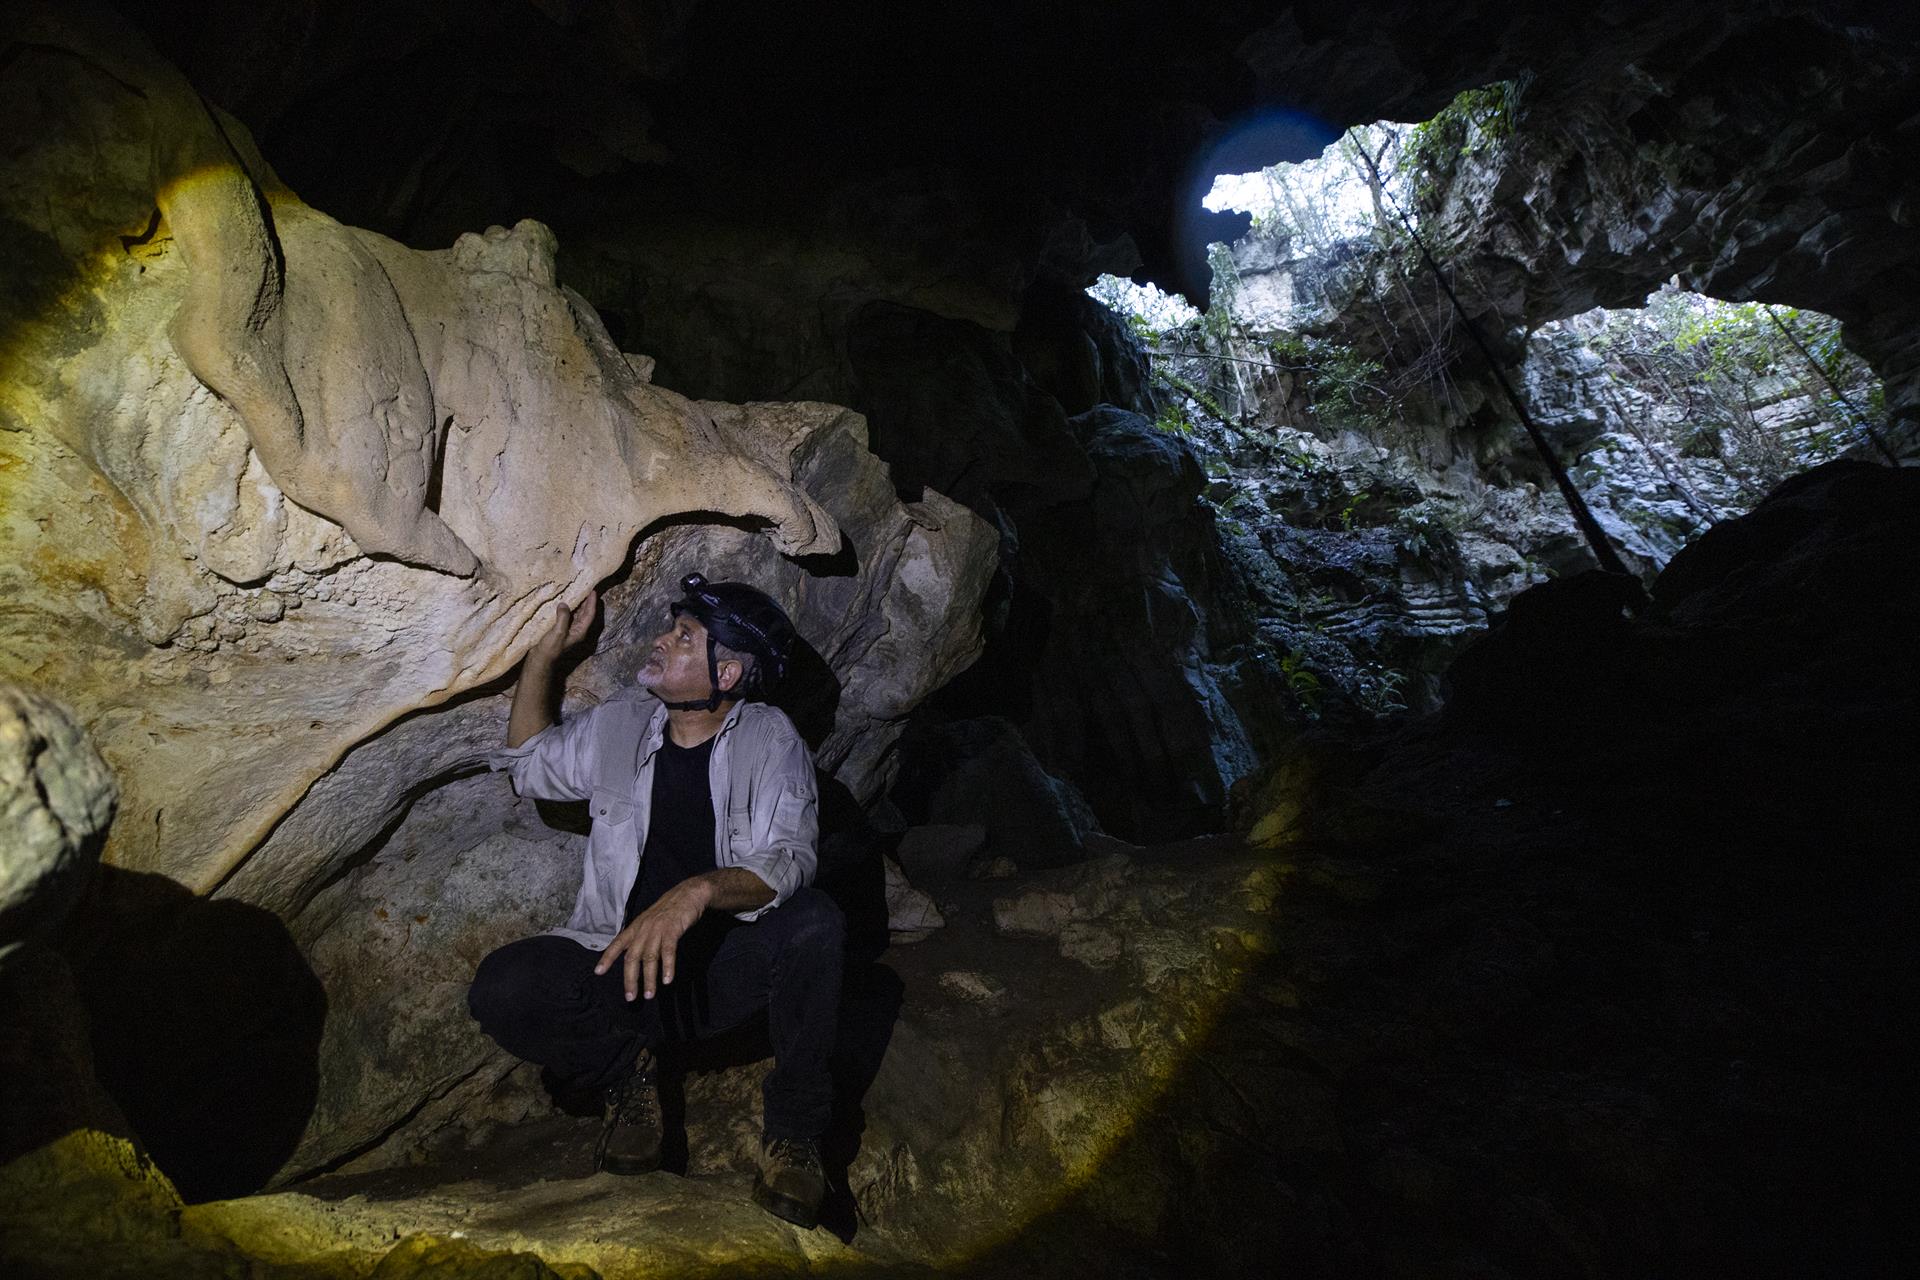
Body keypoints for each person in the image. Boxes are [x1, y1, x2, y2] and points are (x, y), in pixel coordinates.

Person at [467, 572, 842, 1228]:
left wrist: (695, 892)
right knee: (504, 986)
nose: (662, 640)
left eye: (684, 636)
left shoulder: (769, 738)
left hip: (719, 980)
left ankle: (795, 1140)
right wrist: (543, 657)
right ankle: (626, 1073)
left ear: (728, 672)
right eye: (672, 628)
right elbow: (528, 765)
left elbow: (792, 859)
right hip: (625, 976)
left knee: (815, 923)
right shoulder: (620, 725)